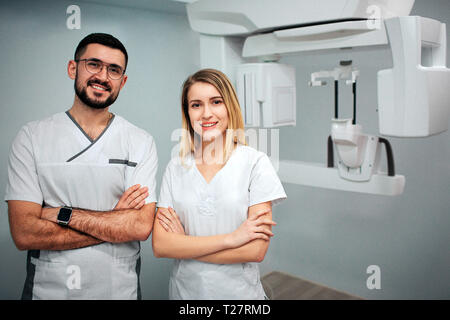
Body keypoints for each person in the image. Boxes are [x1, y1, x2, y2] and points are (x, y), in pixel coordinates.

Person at [5, 33, 158, 300]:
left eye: (114, 70)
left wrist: (62, 214)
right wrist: (114, 220)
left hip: (119, 289)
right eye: (94, 64)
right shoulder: (32, 137)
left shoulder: (140, 141)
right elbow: (24, 232)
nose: (102, 76)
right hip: (49, 289)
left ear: (123, 82)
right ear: (72, 68)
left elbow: (140, 227)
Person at [152, 68, 286, 299]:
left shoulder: (255, 163)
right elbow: (161, 246)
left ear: (229, 107)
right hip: (186, 293)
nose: (206, 113)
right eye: (196, 105)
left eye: (216, 102)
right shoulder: (176, 168)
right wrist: (232, 239)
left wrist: (184, 245)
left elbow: (255, 250)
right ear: (187, 112)